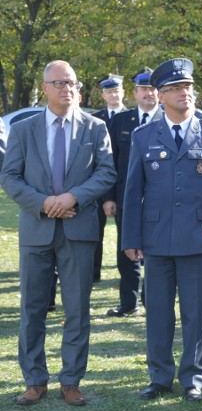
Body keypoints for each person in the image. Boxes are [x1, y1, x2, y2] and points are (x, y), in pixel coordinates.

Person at [122, 57, 202, 402]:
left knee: (195, 315)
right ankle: (159, 377)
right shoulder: (144, 137)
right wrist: (130, 239)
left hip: (197, 239)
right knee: (158, 314)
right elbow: (132, 191)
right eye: (174, 89)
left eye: (187, 87)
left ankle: (193, 379)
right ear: (159, 95)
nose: (183, 94)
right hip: (155, 240)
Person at [0, 60, 116, 407]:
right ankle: (35, 380)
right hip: (37, 229)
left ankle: (71, 380)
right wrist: (45, 202)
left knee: (78, 309)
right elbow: (9, 177)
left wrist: (72, 197)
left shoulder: (95, 128)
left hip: (79, 229)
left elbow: (107, 172)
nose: (67, 88)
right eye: (59, 82)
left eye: (72, 83)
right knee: (32, 309)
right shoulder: (24, 129)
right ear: (45, 87)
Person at [103, 69, 162, 317]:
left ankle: (153, 300)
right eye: (143, 89)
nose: (148, 93)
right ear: (135, 92)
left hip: (160, 199)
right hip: (127, 198)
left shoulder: (168, 118)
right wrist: (108, 196)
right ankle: (129, 302)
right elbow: (110, 162)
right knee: (126, 249)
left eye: (152, 89)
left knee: (157, 252)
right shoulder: (121, 121)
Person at [92, 74, 127, 283]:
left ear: (123, 92)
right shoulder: (96, 119)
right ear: (103, 95)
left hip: (123, 183)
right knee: (95, 233)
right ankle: (94, 272)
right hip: (98, 184)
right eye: (109, 91)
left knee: (125, 233)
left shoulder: (131, 116)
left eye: (117, 90)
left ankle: (127, 273)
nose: (114, 95)